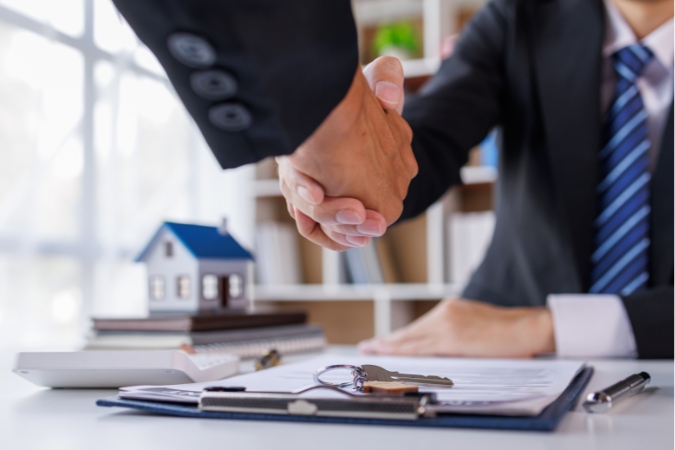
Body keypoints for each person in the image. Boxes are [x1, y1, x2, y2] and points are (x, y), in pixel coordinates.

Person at [279, 0, 674, 359]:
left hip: (548, 336)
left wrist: (548, 328)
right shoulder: (519, 16)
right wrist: (347, 147)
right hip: (503, 350)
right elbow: (429, 142)